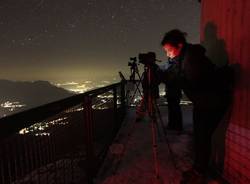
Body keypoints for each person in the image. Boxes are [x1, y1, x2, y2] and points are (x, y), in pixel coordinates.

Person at [161, 29, 231, 183]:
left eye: (169, 50)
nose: (167, 54)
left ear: (179, 45)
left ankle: (199, 172)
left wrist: (174, 79)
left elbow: (197, 83)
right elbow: (177, 76)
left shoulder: (192, 59)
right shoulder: (183, 58)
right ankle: (199, 169)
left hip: (213, 101)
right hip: (204, 101)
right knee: (200, 136)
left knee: (202, 137)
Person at [160, 50, 183, 131]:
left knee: (175, 109)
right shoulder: (172, 65)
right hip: (172, 90)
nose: (168, 55)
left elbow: (172, 78)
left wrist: (164, 77)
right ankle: (173, 125)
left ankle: (177, 126)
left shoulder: (176, 65)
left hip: (174, 90)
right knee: (172, 109)